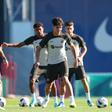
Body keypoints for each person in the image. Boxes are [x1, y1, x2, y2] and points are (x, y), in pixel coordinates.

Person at [2, 22, 57, 107]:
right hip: (37, 65)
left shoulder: (48, 37)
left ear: (43, 29)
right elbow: (20, 44)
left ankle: (56, 101)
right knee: (31, 81)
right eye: (36, 30)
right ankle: (34, 99)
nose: (38, 31)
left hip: (48, 65)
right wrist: (8, 45)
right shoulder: (33, 39)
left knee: (51, 83)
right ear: (34, 31)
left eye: (40, 29)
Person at [35, 17, 77, 108]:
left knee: (65, 80)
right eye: (57, 27)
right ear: (53, 27)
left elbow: (72, 47)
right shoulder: (48, 37)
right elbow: (38, 49)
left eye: (61, 27)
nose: (59, 29)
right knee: (49, 84)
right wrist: (37, 61)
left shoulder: (65, 36)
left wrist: (76, 59)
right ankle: (46, 99)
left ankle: (71, 101)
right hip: (51, 64)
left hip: (62, 62)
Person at [65, 21, 94, 106]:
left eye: (70, 28)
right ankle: (71, 100)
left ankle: (88, 99)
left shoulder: (78, 38)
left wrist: (80, 57)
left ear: (73, 28)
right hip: (66, 64)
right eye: (67, 28)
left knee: (83, 80)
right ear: (65, 29)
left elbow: (85, 48)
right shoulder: (62, 38)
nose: (69, 30)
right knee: (66, 82)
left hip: (78, 63)